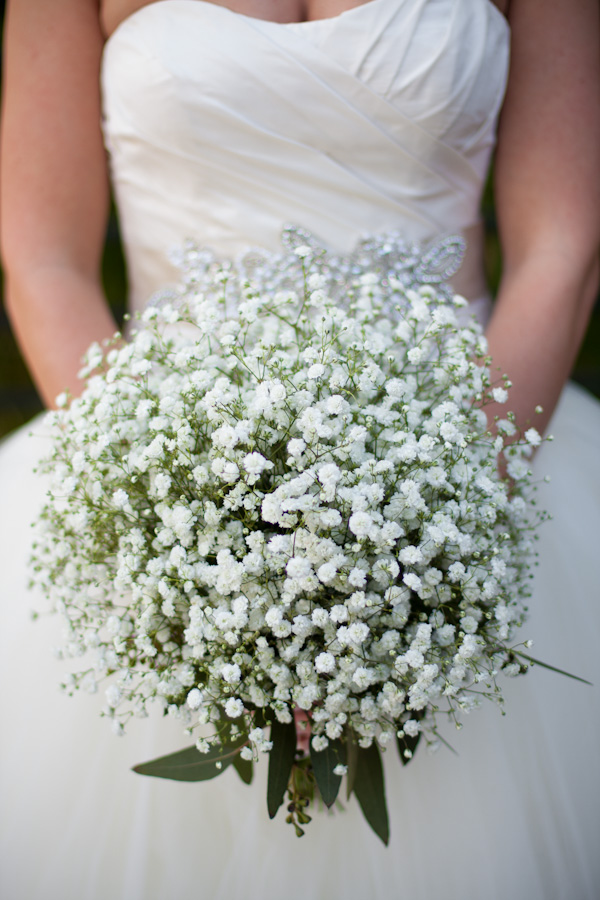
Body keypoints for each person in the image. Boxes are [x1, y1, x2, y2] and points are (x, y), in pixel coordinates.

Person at [1, 1, 599, 897]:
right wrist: (168, 538)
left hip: (477, 464)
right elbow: (45, 258)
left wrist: (433, 531)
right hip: (163, 492)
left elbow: (564, 243)